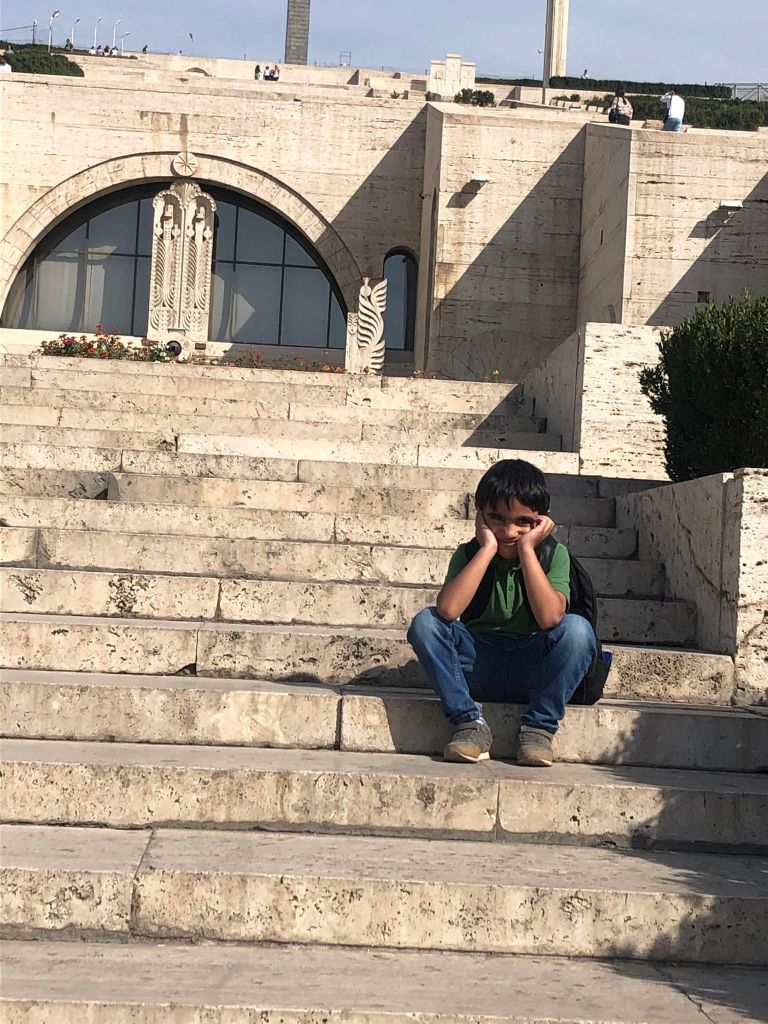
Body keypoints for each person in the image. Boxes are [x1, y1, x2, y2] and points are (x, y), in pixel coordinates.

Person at [407, 458, 597, 767]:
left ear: (542, 521)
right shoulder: (470, 554)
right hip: (479, 664)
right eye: (497, 518)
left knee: (578, 630)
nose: (509, 531)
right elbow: (448, 610)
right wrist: (487, 550)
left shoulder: (555, 555)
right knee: (425, 623)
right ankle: (469, 722)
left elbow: (551, 618)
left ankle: (539, 728)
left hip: (531, 667)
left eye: (523, 521)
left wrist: (527, 550)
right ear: (480, 515)